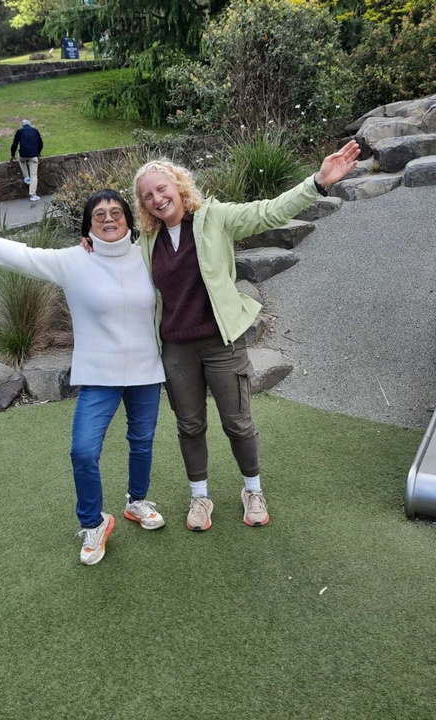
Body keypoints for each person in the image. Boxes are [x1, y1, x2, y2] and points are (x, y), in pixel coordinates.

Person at [126, 140, 361, 531]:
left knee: (238, 421)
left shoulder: (214, 217)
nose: (157, 198)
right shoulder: (146, 243)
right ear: (143, 205)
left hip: (221, 342)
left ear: (179, 186)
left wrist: (318, 182)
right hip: (177, 349)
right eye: (148, 195)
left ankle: (252, 489)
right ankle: (200, 497)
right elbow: (114, 265)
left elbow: (267, 213)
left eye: (162, 188)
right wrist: (92, 243)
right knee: (189, 425)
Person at [0, 191, 166, 566]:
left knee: (142, 440)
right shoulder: (73, 261)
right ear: (88, 225)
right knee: (83, 451)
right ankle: (94, 523)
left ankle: (136, 502)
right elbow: (20, 254)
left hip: (146, 370)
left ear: (129, 218)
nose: (109, 219)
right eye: (99, 215)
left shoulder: (148, 255)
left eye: (116, 213)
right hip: (98, 374)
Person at [10, 119, 44, 203]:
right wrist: (38, 153)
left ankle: (26, 177)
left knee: (21, 160)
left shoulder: (19, 131)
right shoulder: (35, 131)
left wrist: (12, 155)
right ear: (30, 124)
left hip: (23, 155)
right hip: (33, 156)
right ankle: (33, 195)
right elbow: (41, 143)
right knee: (34, 175)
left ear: (22, 125)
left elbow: (14, 144)